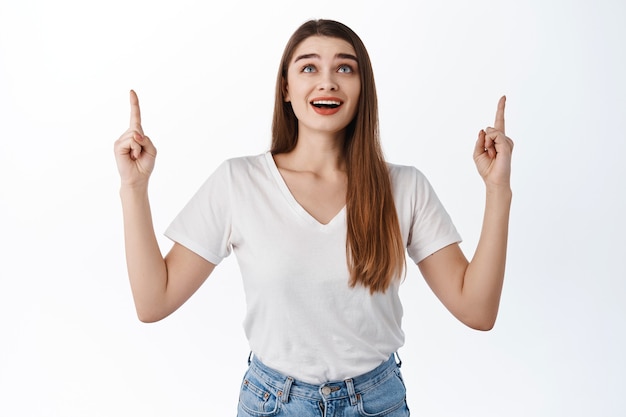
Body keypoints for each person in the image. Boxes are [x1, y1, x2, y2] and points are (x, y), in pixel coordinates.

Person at [114, 19, 513, 417]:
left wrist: (498, 190)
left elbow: (476, 310)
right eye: (308, 67)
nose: (327, 82)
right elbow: (154, 301)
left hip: (376, 403)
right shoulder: (239, 182)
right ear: (286, 88)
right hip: (273, 405)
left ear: (363, 88)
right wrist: (134, 189)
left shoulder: (404, 187)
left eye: (344, 68)